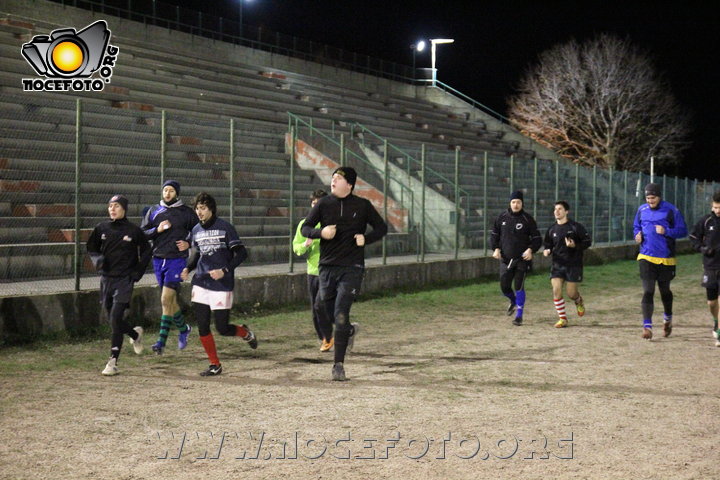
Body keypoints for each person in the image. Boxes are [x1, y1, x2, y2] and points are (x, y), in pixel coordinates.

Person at [302, 167, 388, 381]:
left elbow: (381, 228)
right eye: (332, 178)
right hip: (327, 267)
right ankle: (348, 331)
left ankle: (338, 365)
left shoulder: (362, 205)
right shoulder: (323, 204)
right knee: (322, 307)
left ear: (349, 184)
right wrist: (320, 233)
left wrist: (366, 239)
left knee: (341, 313)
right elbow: (306, 228)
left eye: (338, 178)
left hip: (352, 267)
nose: (333, 181)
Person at [180, 192, 257, 376]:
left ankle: (245, 333)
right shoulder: (196, 230)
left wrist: (224, 270)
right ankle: (215, 364)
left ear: (211, 209)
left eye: (203, 208)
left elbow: (241, 254)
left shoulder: (225, 228)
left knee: (222, 328)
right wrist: (188, 269)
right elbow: (198, 254)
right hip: (200, 281)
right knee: (203, 324)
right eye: (197, 208)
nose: (199, 212)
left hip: (222, 283)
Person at [87, 194, 152, 376]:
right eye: (110, 206)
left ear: (124, 209)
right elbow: (91, 247)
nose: (112, 209)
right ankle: (135, 335)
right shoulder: (101, 228)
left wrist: (137, 272)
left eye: (116, 206)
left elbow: (147, 251)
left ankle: (113, 361)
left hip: (124, 280)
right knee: (112, 319)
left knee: (115, 318)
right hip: (106, 279)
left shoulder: (133, 230)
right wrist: (97, 259)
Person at [141, 180, 198, 355]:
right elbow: (142, 233)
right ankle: (184, 329)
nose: (167, 193)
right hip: (158, 259)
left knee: (165, 299)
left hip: (177, 260)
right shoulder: (153, 211)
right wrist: (157, 230)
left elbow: (199, 231)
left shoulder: (186, 213)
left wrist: (188, 243)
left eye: (171, 190)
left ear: (177, 193)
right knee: (171, 302)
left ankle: (160, 342)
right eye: (165, 190)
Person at [633, 182, 688, 340]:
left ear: (659, 196)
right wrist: (637, 234)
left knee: (665, 291)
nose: (650, 201)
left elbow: (683, 230)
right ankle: (647, 327)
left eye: (653, 198)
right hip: (646, 256)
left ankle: (667, 319)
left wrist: (667, 231)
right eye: (648, 198)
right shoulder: (641, 210)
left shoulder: (671, 210)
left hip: (666, 258)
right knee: (648, 290)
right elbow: (636, 226)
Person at [490, 190, 542, 326]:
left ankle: (519, 315)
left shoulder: (527, 219)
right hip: (506, 259)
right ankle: (513, 301)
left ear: (522, 203)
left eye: (518, 202)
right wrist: (495, 249)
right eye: (513, 202)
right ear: (510, 203)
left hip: (521, 260)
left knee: (519, 285)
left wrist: (531, 250)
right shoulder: (501, 218)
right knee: (504, 287)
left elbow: (537, 238)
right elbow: (494, 235)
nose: (516, 204)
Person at [293, 188, 334, 352]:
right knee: (315, 311)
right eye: (313, 203)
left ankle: (331, 336)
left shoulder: (332, 224)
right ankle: (327, 337)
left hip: (329, 272)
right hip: (312, 273)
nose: (315, 207)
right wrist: (305, 245)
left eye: (319, 204)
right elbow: (296, 247)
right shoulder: (305, 224)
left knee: (320, 306)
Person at [543, 201, 592, 328]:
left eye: (560, 209)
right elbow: (548, 244)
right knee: (556, 290)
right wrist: (547, 250)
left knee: (571, 293)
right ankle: (563, 319)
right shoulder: (551, 229)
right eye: (555, 209)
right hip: (557, 265)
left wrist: (575, 245)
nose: (556, 211)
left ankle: (578, 300)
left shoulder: (576, 227)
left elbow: (587, 242)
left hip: (573, 264)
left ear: (566, 212)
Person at [688, 190, 720, 346]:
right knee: (712, 303)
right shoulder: (706, 221)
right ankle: (716, 320)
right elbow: (693, 237)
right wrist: (703, 249)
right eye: (715, 207)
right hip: (710, 266)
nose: (717, 210)